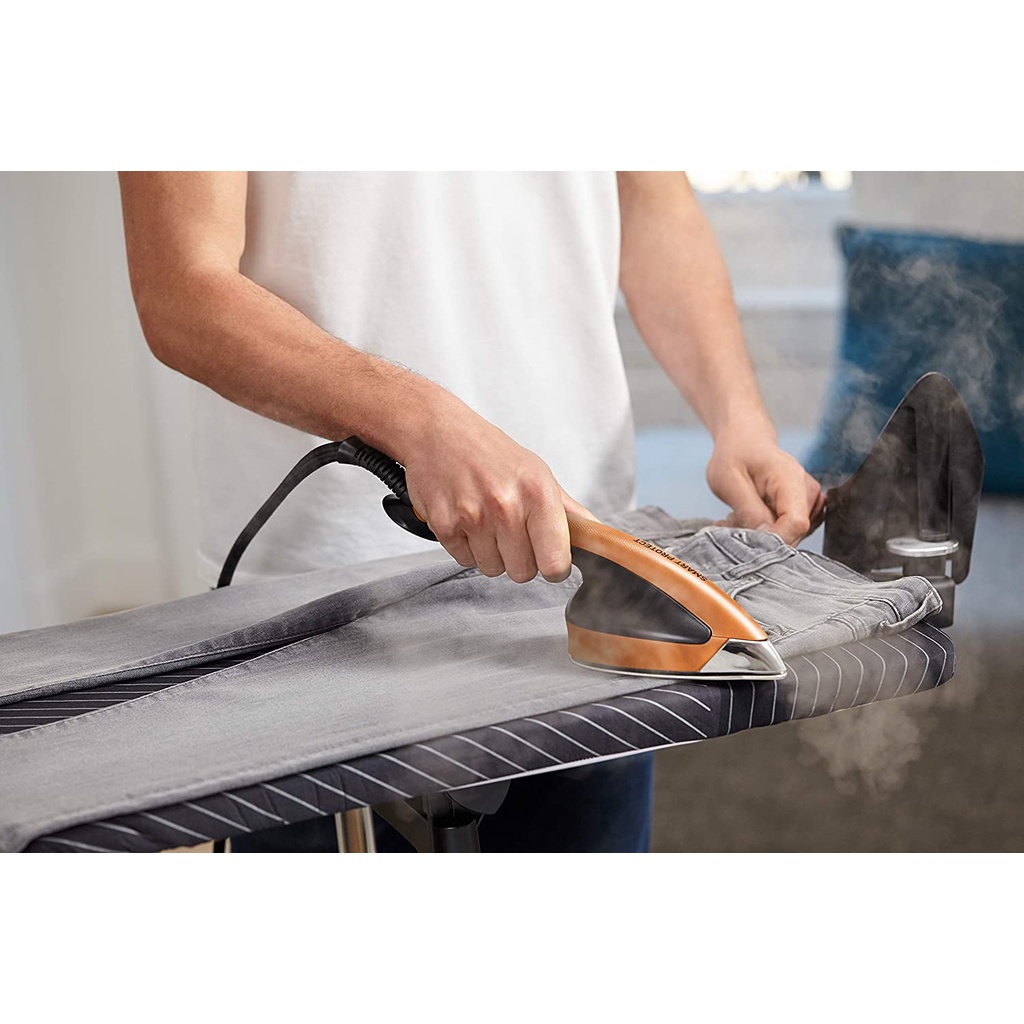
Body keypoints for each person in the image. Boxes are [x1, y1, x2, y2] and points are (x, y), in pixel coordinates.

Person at [118, 171, 824, 853]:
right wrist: (418, 421)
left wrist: (740, 419)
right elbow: (184, 289)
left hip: (593, 590)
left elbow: (652, 204)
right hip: (330, 612)